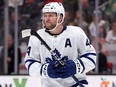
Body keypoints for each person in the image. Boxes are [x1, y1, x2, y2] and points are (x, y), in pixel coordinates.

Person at [24, 2, 96, 87]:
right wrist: (46, 70)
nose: (47, 19)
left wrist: (75, 66)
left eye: (50, 15)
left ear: (60, 17)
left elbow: (91, 58)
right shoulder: (36, 37)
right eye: (45, 15)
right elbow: (30, 63)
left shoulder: (76, 33)